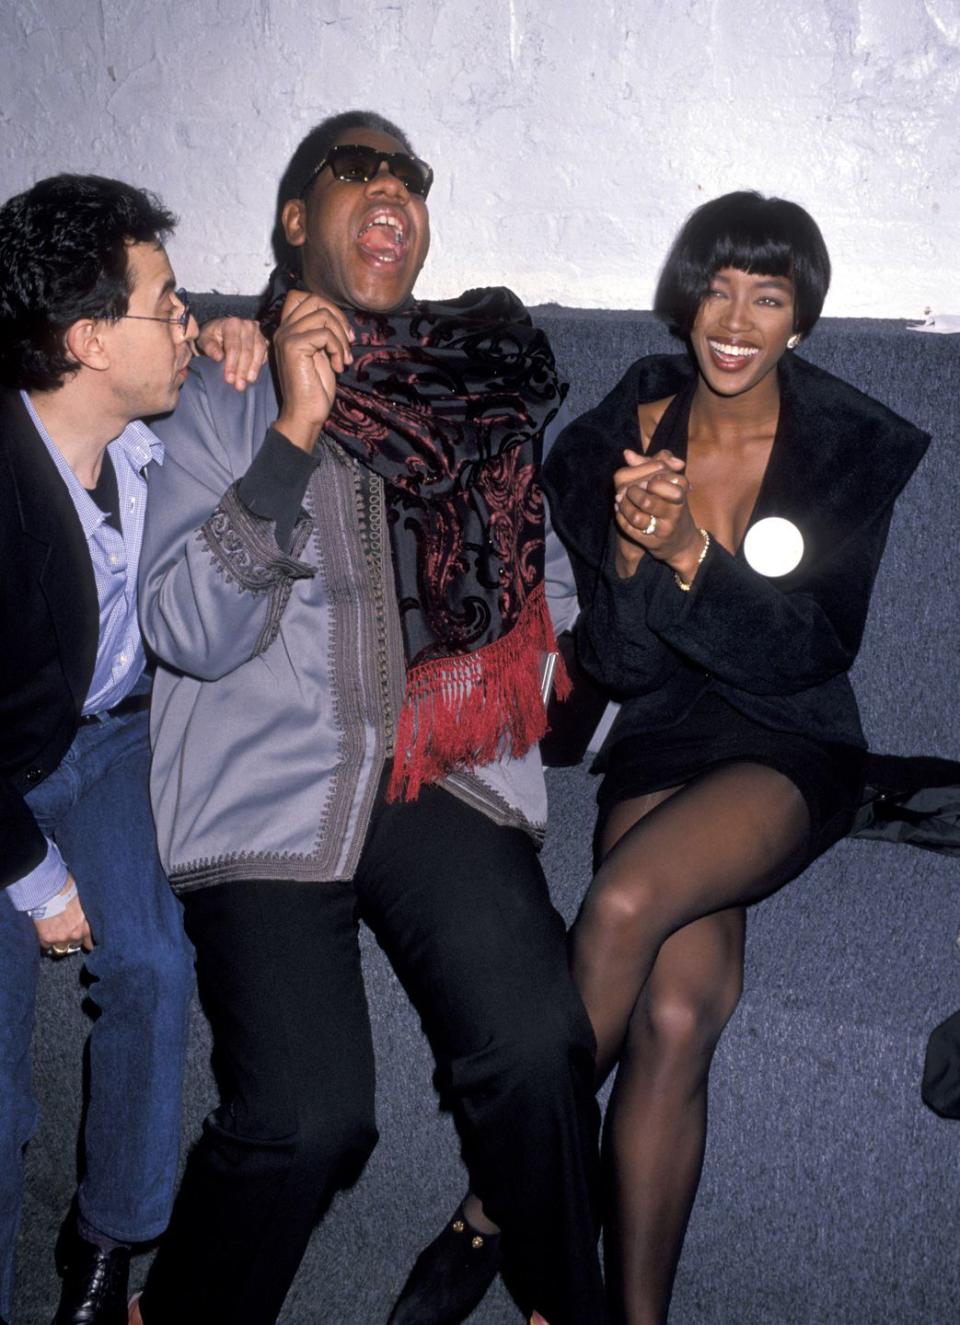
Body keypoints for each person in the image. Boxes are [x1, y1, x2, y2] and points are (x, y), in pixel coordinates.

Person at [131, 111, 605, 1325]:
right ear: (298, 222)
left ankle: (560, 1293)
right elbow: (186, 625)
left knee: (541, 1038)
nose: (391, 185)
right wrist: (291, 429)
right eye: (359, 167)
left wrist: (633, 584)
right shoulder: (219, 389)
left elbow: (545, 602)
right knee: (307, 1116)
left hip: (439, 771)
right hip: (272, 779)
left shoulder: (478, 388)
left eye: (410, 174)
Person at [541, 192, 930, 1324]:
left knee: (619, 905)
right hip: (663, 732)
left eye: (769, 294)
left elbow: (815, 644)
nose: (737, 317)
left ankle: (499, 1201)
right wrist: (625, 550)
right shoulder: (617, 436)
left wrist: (693, 557)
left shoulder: (851, 447)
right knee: (671, 1014)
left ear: (800, 319)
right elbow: (610, 660)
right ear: (688, 295)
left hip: (792, 734)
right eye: (720, 286)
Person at [0, 172, 267, 1325]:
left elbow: (237, 360)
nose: (186, 318)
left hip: (109, 742)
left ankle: (110, 1245)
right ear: (86, 340)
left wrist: (240, 327)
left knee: (155, 964)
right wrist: (37, 874)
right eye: (164, 300)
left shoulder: (143, 429)